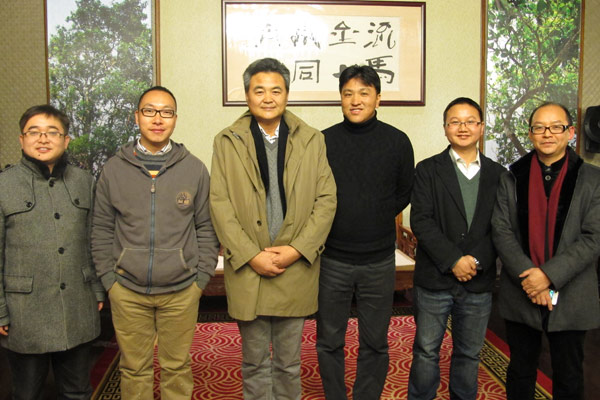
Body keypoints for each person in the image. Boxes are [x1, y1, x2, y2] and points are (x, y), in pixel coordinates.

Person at [209, 57, 337, 400]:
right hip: (248, 266)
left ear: (287, 95)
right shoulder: (227, 141)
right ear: (247, 95)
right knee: (253, 362)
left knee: (288, 363)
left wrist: (296, 250)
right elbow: (219, 203)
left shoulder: (312, 139)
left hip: (293, 265)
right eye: (259, 90)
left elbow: (326, 200)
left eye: (276, 90)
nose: (268, 98)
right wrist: (252, 255)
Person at [92, 86, 219, 399]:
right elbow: (101, 228)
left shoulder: (194, 169)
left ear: (175, 118)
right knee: (134, 368)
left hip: (181, 290)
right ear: (137, 117)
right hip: (127, 289)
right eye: (149, 111)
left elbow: (206, 226)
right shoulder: (113, 169)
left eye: (166, 112)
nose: (158, 119)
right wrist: (110, 281)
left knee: (177, 367)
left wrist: (200, 279)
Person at [316, 65, 414, 400]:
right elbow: (313, 194)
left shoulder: (397, 141)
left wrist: (374, 214)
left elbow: (404, 192)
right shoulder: (323, 141)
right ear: (340, 99)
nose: (355, 100)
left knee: (375, 341)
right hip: (332, 260)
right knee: (329, 340)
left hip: (379, 260)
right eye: (348, 94)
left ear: (378, 99)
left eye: (364, 93)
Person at [492, 102, 600, 400]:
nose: (547, 134)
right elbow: (501, 231)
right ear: (530, 134)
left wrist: (548, 276)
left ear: (571, 132)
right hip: (522, 288)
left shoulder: (592, 179)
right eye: (539, 128)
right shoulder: (512, 177)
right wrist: (532, 277)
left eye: (556, 127)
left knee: (569, 375)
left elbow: (594, 238)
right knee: (520, 370)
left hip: (571, 292)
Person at [0, 105, 104, 399]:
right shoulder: (4, 184)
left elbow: (92, 240)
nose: (43, 138)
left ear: (66, 140)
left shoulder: (84, 181)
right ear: (21, 139)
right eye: (34, 132)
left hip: (77, 307)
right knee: (26, 394)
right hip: (24, 313)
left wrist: (97, 290)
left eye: (52, 132)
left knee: (77, 392)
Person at [407, 97, 505, 400]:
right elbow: (421, 220)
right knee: (426, 351)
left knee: (469, 353)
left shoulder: (499, 174)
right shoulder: (427, 169)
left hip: (478, 279)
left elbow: (501, 226)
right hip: (434, 278)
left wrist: (474, 260)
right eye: (455, 122)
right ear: (445, 128)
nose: (463, 127)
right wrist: (453, 260)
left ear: (481, 127)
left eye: (470, 121)